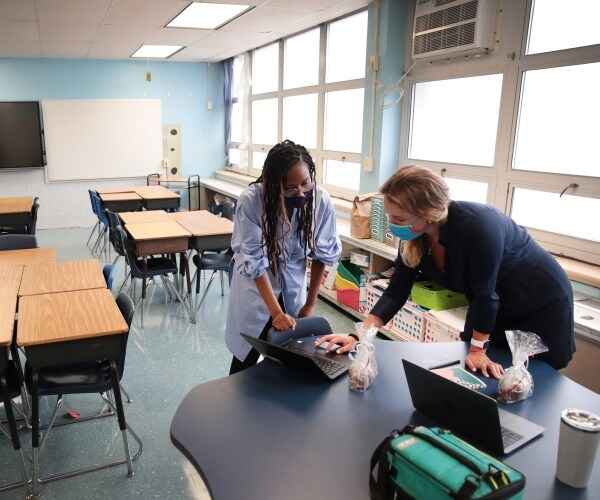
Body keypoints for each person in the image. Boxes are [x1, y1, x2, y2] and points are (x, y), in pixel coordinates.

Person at [317, 165, 575, 378]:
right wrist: (359, 335)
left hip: (538, 302)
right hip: (491, 305)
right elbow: (397, 291)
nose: (392, 225)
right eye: (390, 216)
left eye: (399, 219)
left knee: (531, 377)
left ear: (427, 213)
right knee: (478, 370)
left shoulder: (479, 226)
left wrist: (477, 348)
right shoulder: (415, 235)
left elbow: (486, 295)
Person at [225, 140, 341, 374]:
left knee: (291, 358)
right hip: (256, 291)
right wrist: (275, 312)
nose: (300, 193)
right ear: (272, 184)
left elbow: (322, 255)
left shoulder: (320, 201)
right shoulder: (252, 201)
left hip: (293, 289)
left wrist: (309, 304)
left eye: (305, 183)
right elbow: (256, 263)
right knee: (245, 360)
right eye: (289, 188)